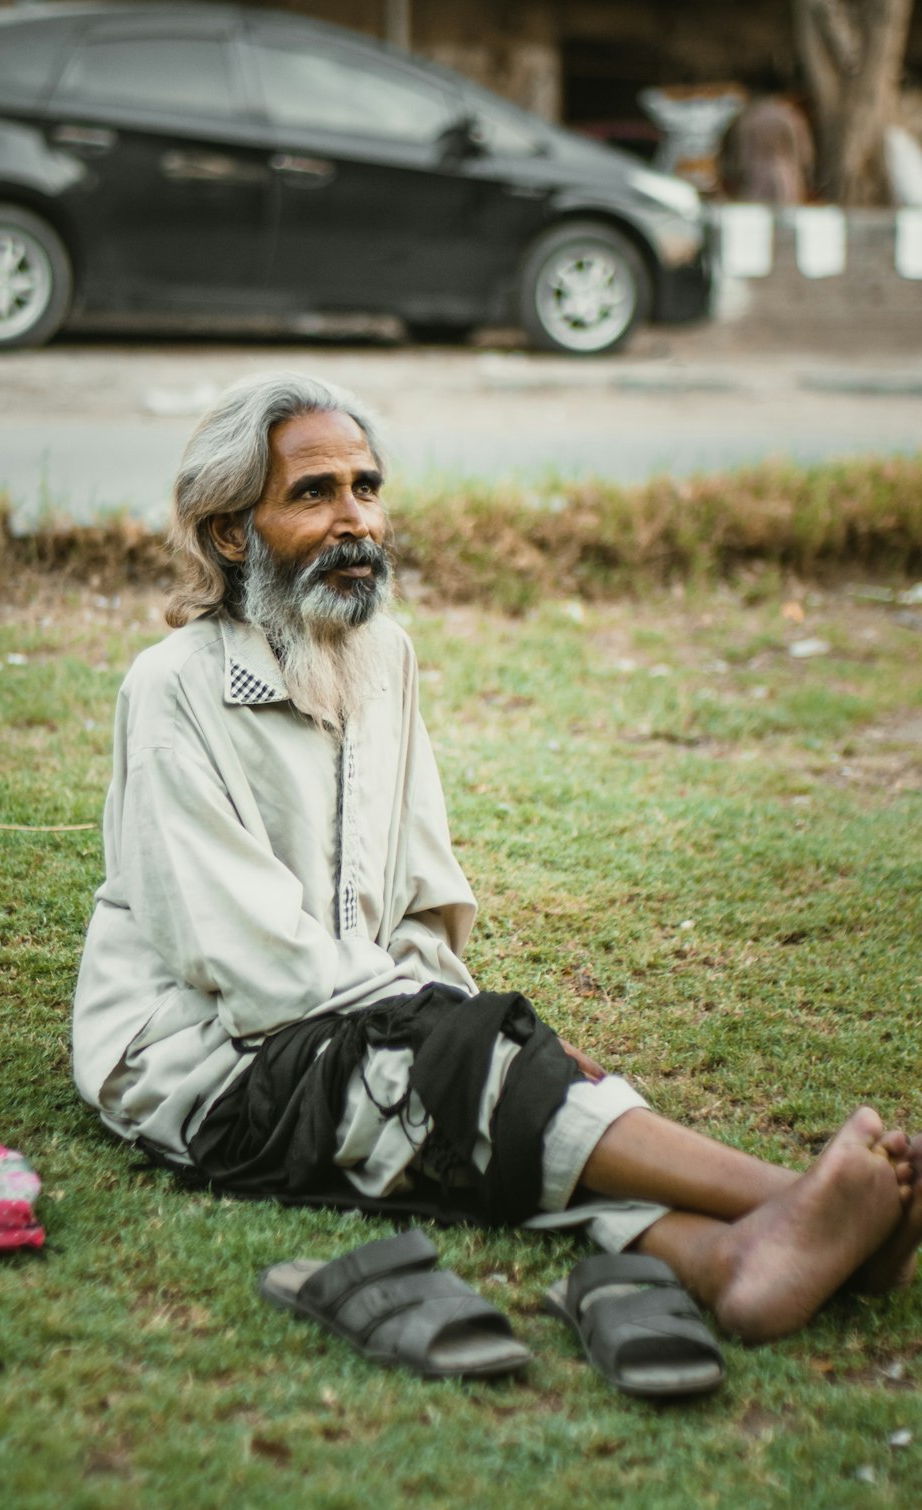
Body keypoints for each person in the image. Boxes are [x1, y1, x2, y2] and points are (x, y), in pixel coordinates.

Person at [72, 373, 921, 1347]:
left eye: (366, 486)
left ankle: (731, 1259)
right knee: (450, 1082)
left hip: (352, 1014)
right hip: (206, 1054)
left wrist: (483, 1038)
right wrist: (467, 1040)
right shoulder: (171, 688)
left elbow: (425, 900)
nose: (355, 520)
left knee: (464, 1110)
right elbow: (248, 960)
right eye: (313, 493)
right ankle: (800, 1201)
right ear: (232, 531)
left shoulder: (382, 655)